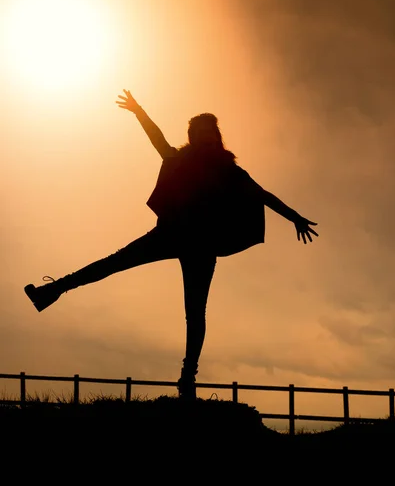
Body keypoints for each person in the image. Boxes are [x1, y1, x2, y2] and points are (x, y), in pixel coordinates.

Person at [24, 89, 319, 399]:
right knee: (112, 263)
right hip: (171, 233)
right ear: (193, 137)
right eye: (200, 133)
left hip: (202, 245)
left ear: (216, 138)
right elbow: (158, 140)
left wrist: (295, 217)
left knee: (195, 312)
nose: (206, 138)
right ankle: (52, 291)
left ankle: (187, 377)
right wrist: (140, 113)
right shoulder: (180, 158)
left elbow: (263, 195)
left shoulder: (229, 170)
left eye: (211, 133)